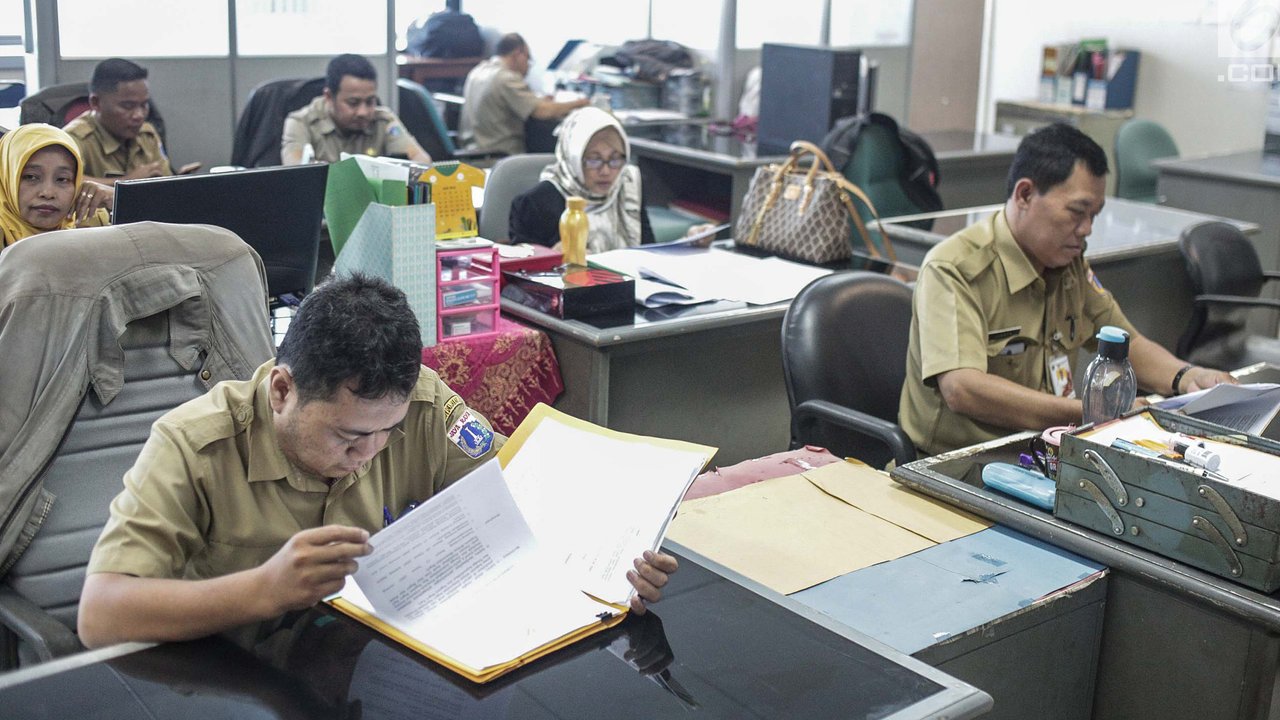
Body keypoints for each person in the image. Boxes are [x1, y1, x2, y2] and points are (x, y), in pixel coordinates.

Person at [77, 273, 678, 651]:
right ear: (282, 391)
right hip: (231, 676)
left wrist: (609, 571)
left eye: (386, 433)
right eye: (346, 436)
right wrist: (264, 589)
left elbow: (522, 499)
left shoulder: (419, 404)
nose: (368, 454)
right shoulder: (194, 443)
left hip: (376, 661)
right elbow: (100, 615)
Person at [898, 123, 1234, 456]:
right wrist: (1089, 411)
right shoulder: (956, 267)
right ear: (1025, 194)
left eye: (1094, 215)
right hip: (956, 463)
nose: (1086, 229)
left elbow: (1125, 342)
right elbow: (963, 389)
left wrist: (1189, 376)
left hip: (1045, 454)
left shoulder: (1068, 265)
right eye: (1077, 212)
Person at [63, 58, 198, 186]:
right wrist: (127, 182)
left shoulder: (146, 133)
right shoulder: (74, 139)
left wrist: (179, 182)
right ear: (96, 103)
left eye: (144, 105)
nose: (139, 115)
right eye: (128, 106)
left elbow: (164, 178)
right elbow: (63, 183)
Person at [281, 54, 431, 166]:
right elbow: (295, 174)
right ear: (328, 96)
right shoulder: (301, 123)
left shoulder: (384, 121)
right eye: (353, 103)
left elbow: (422, 162)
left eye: (370, 101)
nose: (363, 112)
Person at [459, 33, 589, 156]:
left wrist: (539, 101)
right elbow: (542, 112)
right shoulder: (506, 78)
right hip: (499, 156)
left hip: (471, 152)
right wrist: (581, 103)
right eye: (528, 59)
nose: (528, 66)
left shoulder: (478, 71)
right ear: (518, 54)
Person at [0, 123, 111, 246]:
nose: (48, 193)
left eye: (62, 179)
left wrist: (117, 198)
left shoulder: (90, 220)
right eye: (31, 177)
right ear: (5, 178)